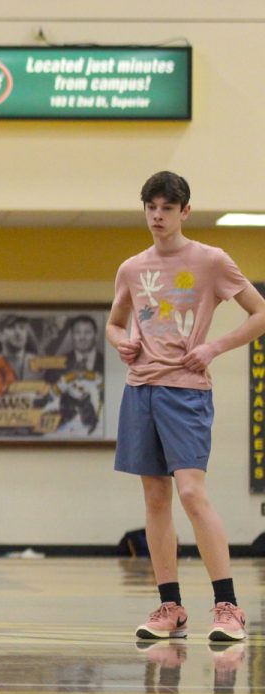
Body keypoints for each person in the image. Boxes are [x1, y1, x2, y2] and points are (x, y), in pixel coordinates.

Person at [107, 170, 265, 642]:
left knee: (193, 493)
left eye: (167, 208)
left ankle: (228, 606)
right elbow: (114, 324)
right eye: (151, 208)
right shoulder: (132, 269)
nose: (158, 216)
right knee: (155, 499)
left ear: (185, 211)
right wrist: (123, 342)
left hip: (187, 391)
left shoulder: (211, 261)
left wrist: (214, 348)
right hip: (140, 391)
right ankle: (169, 607)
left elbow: (259, 313)